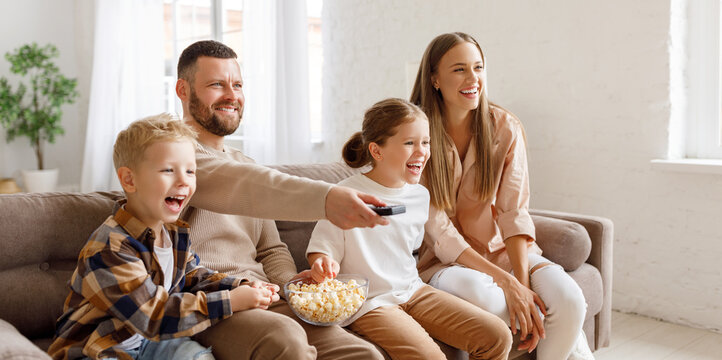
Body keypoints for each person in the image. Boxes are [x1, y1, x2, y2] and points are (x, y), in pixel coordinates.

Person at [174, 40, 384, 360]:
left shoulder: (246, 163)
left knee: (360, 353)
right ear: (183, 90)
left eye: (238, 85)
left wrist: (292, 286)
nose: (232, 95)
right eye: (217, 85)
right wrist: (327, 198)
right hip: (213, 304)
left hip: (267, 300)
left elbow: (271, 249)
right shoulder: (172, 156)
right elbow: (243, 184)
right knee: (286, 340)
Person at [410, 32, 594, 360]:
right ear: (435, 78)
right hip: (443, 263)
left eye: (478, 67)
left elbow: (514, 212)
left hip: (501, 253)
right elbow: (439, 232)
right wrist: (507, 286)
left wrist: (520, 282)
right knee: (488, 297)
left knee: (570, 300)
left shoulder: (505, 127)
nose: (473, 79)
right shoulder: (416, 135)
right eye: (459, 70)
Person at [48, 114, 279, 360]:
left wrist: (241, 285)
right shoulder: (109, 248)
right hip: (98, 349)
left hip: (150, 343)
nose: (183, 181)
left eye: (190, 171)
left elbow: (194, 277)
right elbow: (153, 315)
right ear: (129, 180)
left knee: (200, 357)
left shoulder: (173, 233)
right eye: (168, 170)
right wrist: (230, 301)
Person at [306, 98, 512, 360]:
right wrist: (323, 263)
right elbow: (322, 249)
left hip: (413, 290)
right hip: (371, 303)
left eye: (425, 142)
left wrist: (505, 279)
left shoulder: (419, 196)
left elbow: (443, 242)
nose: (422, 151)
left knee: (497, 335)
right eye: (409, 143)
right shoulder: (345, 196)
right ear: (377, 151)